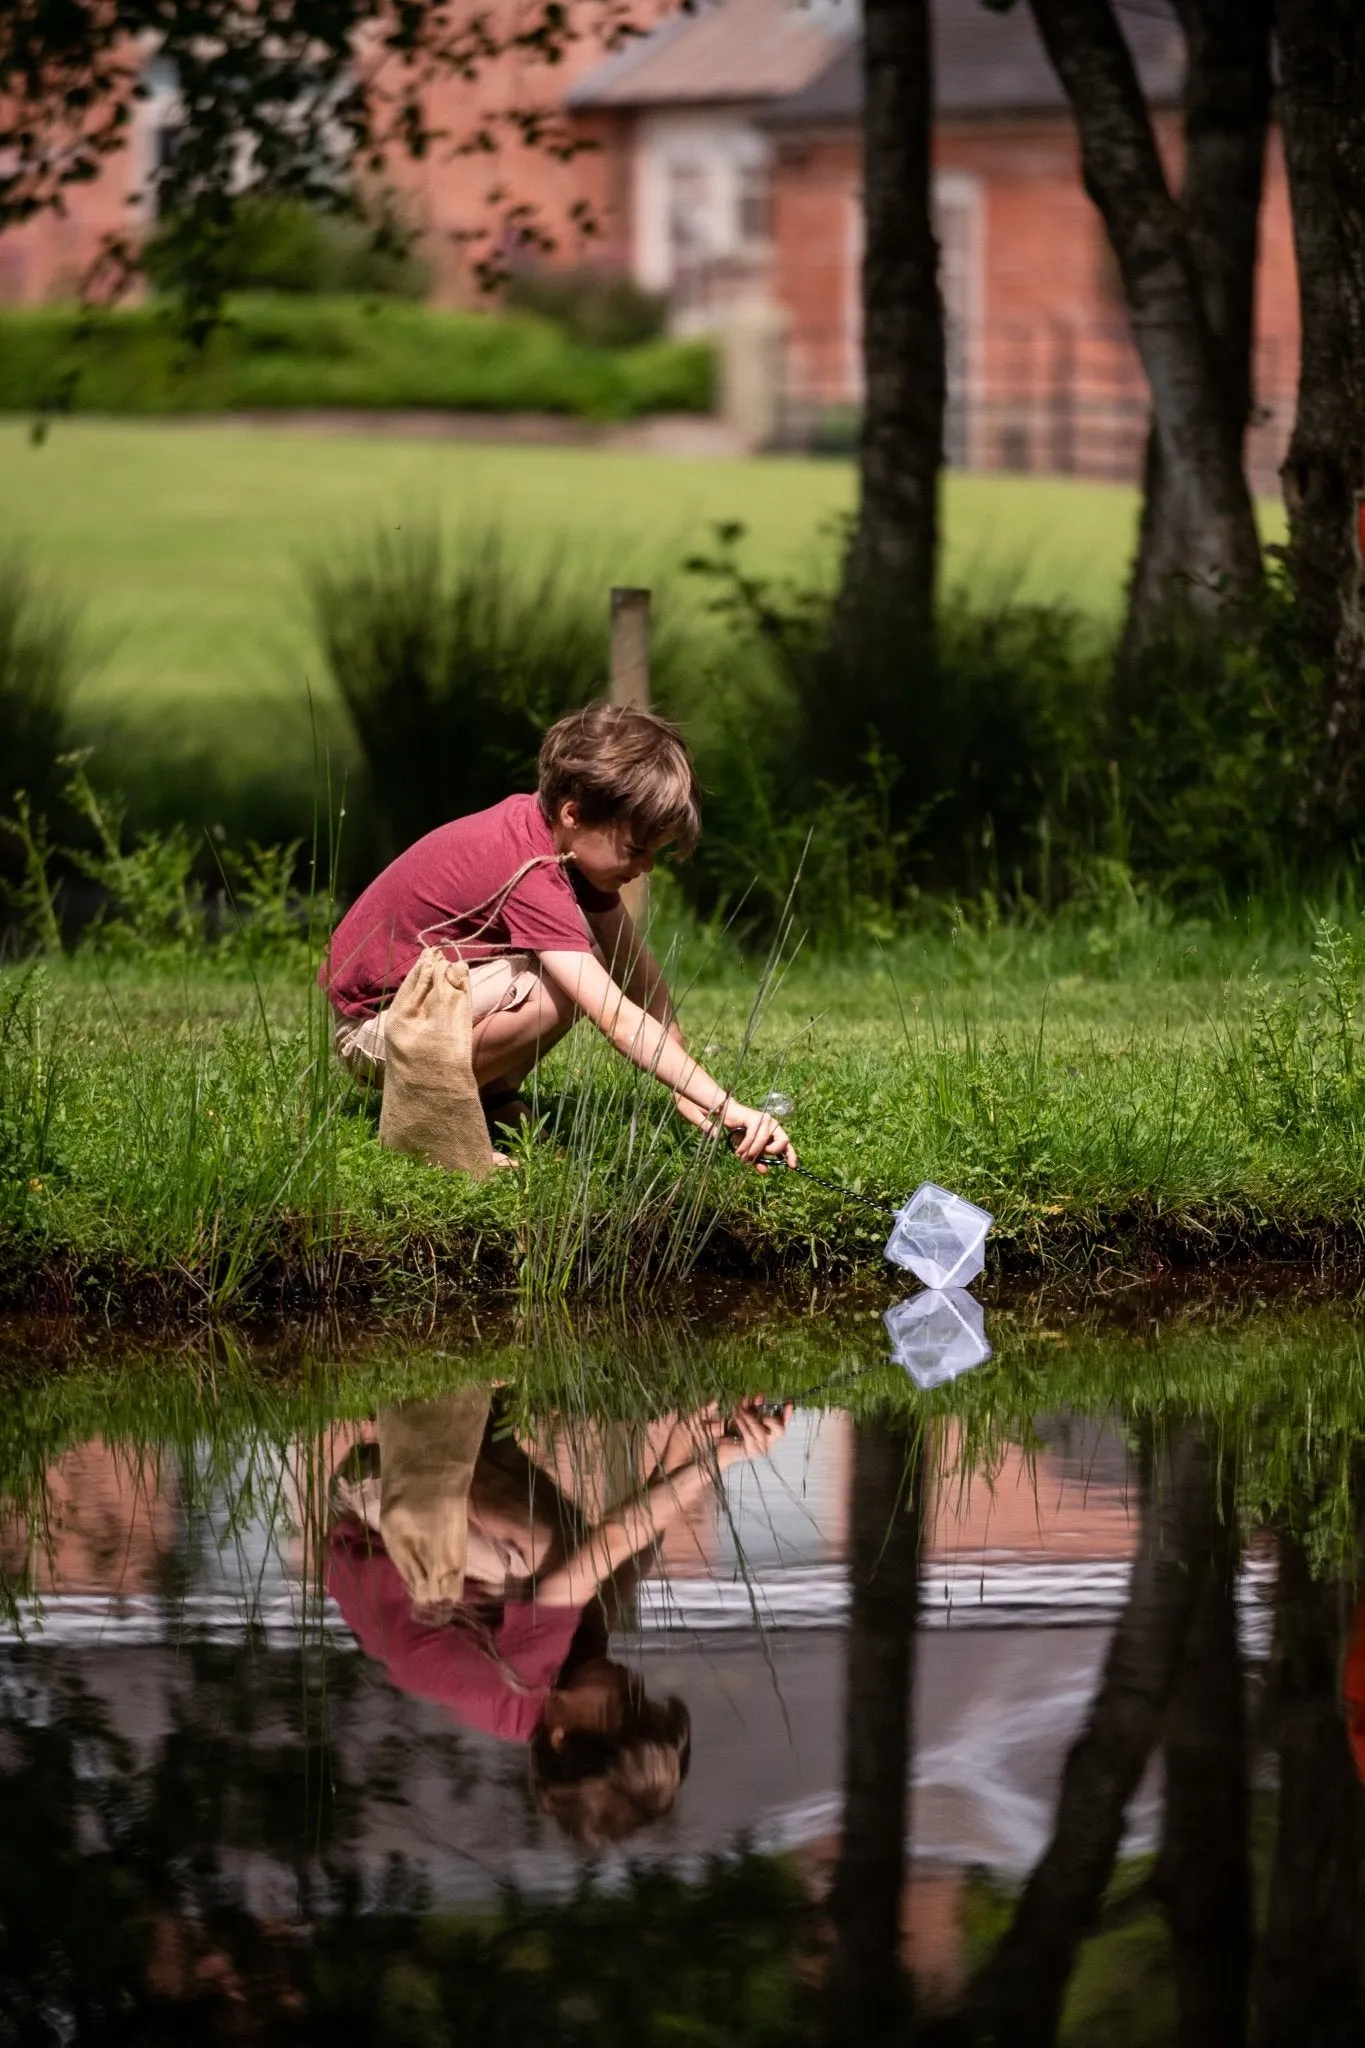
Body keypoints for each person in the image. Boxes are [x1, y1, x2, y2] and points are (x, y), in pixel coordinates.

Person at [321, 703, 797, 1167]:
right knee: (562, 990)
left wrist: (684, 1087)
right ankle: (433, 1121)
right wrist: (726, 1104)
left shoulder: (562, 844)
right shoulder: (532, 864)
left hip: (412, 1013)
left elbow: (638, 974)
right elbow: (616, 1018)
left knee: (583, 958)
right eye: (635, 850)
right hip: (374, 1032)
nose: (646, 867)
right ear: (573, 814)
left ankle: (490, 1097)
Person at [325, 1394, 791, 1849]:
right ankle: (486, 1419)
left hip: (377, 1506)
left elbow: (610, 1542)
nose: (634, 1688)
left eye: (623, 1711)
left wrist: (721, 1462)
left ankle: (429, 1420)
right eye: (644, 1703)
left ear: (562, 1735)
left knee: (554, 1555)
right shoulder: (570, 1688)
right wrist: (687, 1441)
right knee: (587, 1581)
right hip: (426, 1527)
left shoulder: (527, 1682)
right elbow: (627, 1563)